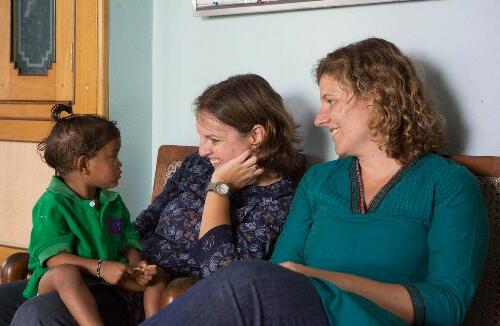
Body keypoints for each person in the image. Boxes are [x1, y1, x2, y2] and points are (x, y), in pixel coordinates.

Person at [141, 38, 489, 326]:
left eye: (331, 101)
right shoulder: (320, 181)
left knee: (245, 279)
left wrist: (323, 280)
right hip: (298, 314)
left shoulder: (449, 185)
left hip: (366, 320)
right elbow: (280, 277)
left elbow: (448, 306)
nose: (320, 118)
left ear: (379, 99)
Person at [1, 73, 304, 325]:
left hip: (156, 296)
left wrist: (219, 190)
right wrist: (127, 256)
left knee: (37, 314)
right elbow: (148, 218)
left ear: (256, 136)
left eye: (214, 139)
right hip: (124, 271)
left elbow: (224, 279)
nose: (202, 150)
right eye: (201, 137)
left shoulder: (276, 199)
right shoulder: (199, 167)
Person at [18, 104, 165, 326]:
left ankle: (154, 321)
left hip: (103, 281)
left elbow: (126, 241)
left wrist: (138, 266)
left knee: (159, 275)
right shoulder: (52, 204)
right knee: (67, 274)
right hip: (56, 281)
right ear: (84, 164)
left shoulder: (112, 202)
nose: (120, 163)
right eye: (113, 156)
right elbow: (54, 258)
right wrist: (99, 267)